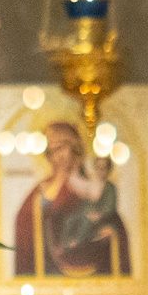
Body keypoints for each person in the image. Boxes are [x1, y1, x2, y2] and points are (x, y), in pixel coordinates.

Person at [13, 119, 129, 279]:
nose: (57, 156)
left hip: (94, 262)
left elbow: (111, 218)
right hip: (51, 267)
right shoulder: (42, 190)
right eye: (51, 152)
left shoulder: (96, 186)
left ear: (75, 149)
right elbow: (26, 224)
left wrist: (110, 229)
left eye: (61, 148)